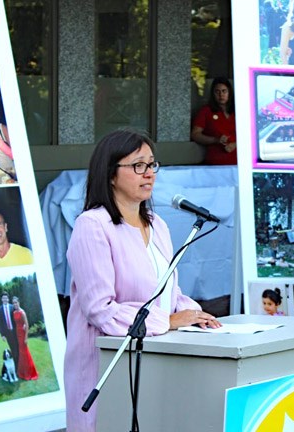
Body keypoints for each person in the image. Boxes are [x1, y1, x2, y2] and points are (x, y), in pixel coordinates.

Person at [64, 130, 221, 431]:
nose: (149, 174)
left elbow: (166, 293)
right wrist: (171, 321)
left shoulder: (157, 224)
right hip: (106, 366)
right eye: (138, 166)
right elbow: (100, 309)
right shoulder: (92, 226)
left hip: (155, 358)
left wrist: (194, 314)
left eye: (152, 165)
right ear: (111, 174)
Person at [191, 77, 237, 165]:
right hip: (215, 162)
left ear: (229, 93)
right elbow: (195, 134)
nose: (221, 95)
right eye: (217, 91)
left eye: (224, 91)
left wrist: (235, 144)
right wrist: (215, 140)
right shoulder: (206, 111)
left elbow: (251, 135)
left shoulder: (238, 111)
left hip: (239, 163)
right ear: (213, 94)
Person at [12, 296, 38, 380]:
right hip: (17, 333)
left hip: (23, 335)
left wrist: (26, 337)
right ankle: (22, 372)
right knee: (21, 353)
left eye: (16, 302)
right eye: (13, 303)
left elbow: (27, 324)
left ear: (19, 302)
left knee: (25, 353)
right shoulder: (14, 312)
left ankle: (29, 372)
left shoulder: (22, 312)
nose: (15, 304)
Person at [0, 292, 19, 370]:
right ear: (1, 299)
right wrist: (2, 335)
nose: (5, 299)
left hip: (15, 331)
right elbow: (0, 323)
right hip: (8, 333)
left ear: (8, 299)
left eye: (6, 298)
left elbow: (18, 315)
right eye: (3, 298)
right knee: (12, 349)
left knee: (18, 347)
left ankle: (20, 365)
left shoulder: (12, 307)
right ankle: (16, 366)